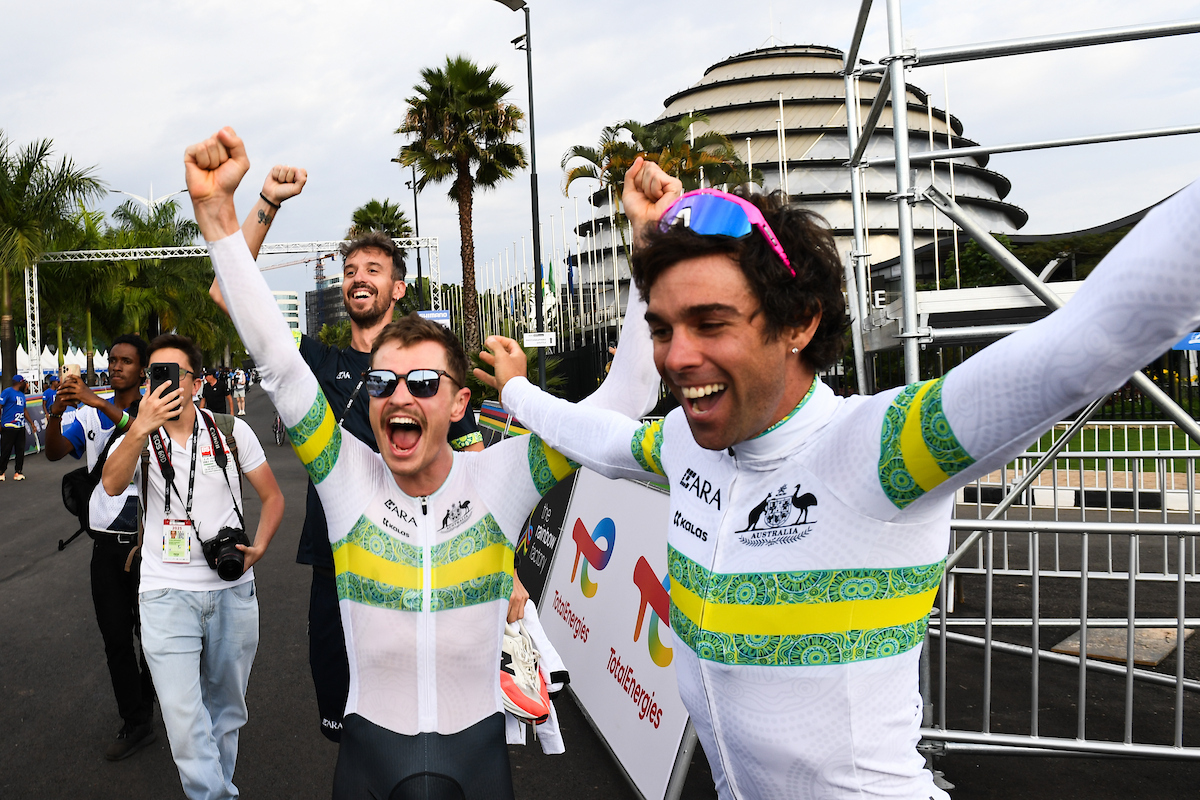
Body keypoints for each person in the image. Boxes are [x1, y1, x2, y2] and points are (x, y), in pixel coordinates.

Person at [479, 158, 1200, 799]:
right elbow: (601, 439)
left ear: (799, 322)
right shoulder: (682, 443)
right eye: (665, 329)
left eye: (711, 322)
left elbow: (1089, 338)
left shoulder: (881, 449)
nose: (676, 356)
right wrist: (517, 391)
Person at [187, 126, 658, 799]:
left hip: (477, 763)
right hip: (369, 764)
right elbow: (277, 360)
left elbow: (627, 401)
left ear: (461, 400)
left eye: (423, 385)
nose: (399, 397)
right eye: (382, 385)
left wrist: (645, 243)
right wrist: (219, 217)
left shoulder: (502, 478)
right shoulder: (343, 474)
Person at [208, 164, 511, 746]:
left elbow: (478, 469)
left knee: (435, 720)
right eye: (349, 271)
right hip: (337, 568)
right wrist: (268, 201)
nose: (357, 279)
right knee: (348, 732)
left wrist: (512, 579)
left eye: (373, 269)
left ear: (398, 288)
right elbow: (228, 290)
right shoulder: (317, 364)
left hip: (431, 566)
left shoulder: (433, 375)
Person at [101, 333, 285, 800]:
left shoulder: (229, 430)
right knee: (183, 720)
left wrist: (259, 546)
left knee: (226, 712)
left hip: (232, 591)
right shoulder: (139, 437)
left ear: (197, 383)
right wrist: (140, 428)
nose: (159, 384)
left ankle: (213, 790)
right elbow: (110, 484)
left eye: (171, 375)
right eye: (152, 375)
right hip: (164, 592)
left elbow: (273, 495)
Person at [45, 335, 157, 760]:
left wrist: (92, 399)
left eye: (127, 361)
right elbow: (55, 453)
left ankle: (152, 704)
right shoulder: (91, 415)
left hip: (149, 544)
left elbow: (139, 429)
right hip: (106, 543)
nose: (117, 367)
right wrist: (56, 415)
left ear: (143, 369)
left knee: (152, 638)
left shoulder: (152, 405)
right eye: (113, 360)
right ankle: (136, 719)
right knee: (114, 637)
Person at [1, 374, 30, 481]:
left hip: (20, 426)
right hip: (8, 425)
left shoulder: (22, 395)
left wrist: (31, 423)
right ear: (20, 383)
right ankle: (1, 471)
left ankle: (18, 472)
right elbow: (0, 406)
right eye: (24, 383)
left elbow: (24, 410)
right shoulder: (7, 392)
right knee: (6, 450)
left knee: (20, 450)